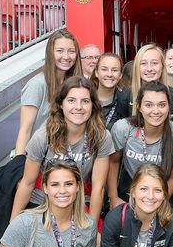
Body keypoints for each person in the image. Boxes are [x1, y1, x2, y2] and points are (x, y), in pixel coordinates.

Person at [10, 76, 114, 227]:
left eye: (85, 101)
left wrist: (91, 230)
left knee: (97, 243)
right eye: (71, 100)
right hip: (43, 202)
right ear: (60, 104)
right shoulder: (44, 136)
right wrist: (12, 225)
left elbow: (98, 187)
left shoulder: (101, 137)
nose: (78, 107)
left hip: (77, 202)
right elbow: (27, 183)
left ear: (93, 106)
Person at [108, 81, 173, 211]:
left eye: (162, 105)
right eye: (149, 105)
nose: (156, 111)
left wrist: (160, 203)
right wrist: (113, 198)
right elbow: (113, 162)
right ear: (139, 106)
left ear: (169, 107)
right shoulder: (123, 129)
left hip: (164, 195)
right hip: (130, 192)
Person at [15, 29, 82, 156]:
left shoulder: (77, 85)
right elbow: (25, 129)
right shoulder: (37, 84)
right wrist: (18, 164)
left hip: (69, 157)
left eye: (71, 51)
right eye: (60, 51)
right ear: (50, 53)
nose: (66, 57)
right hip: (40, 159)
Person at [131, 44, 173, 127]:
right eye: (143, 63)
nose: (149, 69)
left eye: (154, 63)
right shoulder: (125, 96)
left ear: (163, 66)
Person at [91, 52, 130, 132]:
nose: (109, 74)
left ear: (120, 75)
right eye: (104, 69)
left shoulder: (126, 102)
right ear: (96, 72)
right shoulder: (86, 99)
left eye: (114, 70)